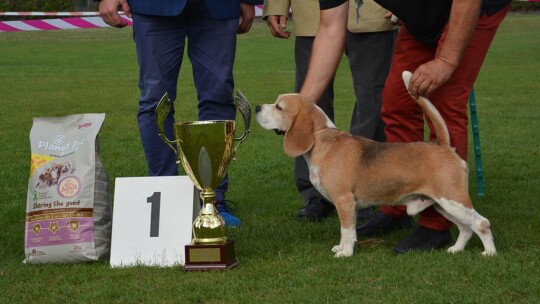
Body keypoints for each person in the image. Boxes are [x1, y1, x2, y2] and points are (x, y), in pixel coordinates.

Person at [299, 0, 512, 253]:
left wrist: (445, 61)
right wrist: (301, 108)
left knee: (445, 101)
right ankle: (397, 206)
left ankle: (437, 225)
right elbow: (332, 27)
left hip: (471, 8)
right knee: (396, 101)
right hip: (423, 19)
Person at [98, 0, 262, 227]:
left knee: (219, 97)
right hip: (153, 7)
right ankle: (164, 197)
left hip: (218, 6)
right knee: (156, 102)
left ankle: (213, 200)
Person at [263, 0, 397, 222]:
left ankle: (364, 187)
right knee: (307, 102)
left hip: (376, 11)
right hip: (311, 11)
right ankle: (314, 192)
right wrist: (276, 4)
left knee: (373, 100)